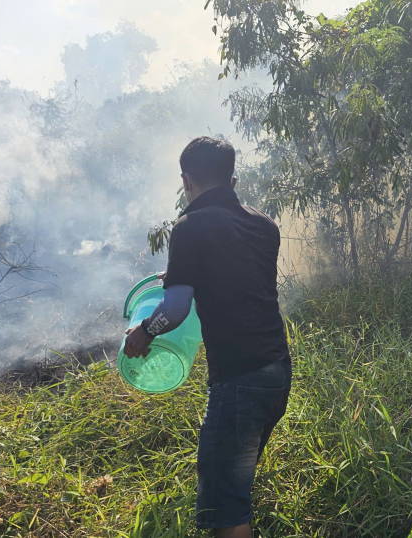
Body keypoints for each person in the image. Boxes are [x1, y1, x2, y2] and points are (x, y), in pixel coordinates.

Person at [123, 136, 291, 538]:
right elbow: (236, 273)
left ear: (186, 182)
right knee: (236, 482)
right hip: (277, 371)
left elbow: (176, 309)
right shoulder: (264, 225)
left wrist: (143, 333)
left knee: (224, 510)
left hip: (239, 381)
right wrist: (182, 274)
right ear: (232, 180)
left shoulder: (189, 226)